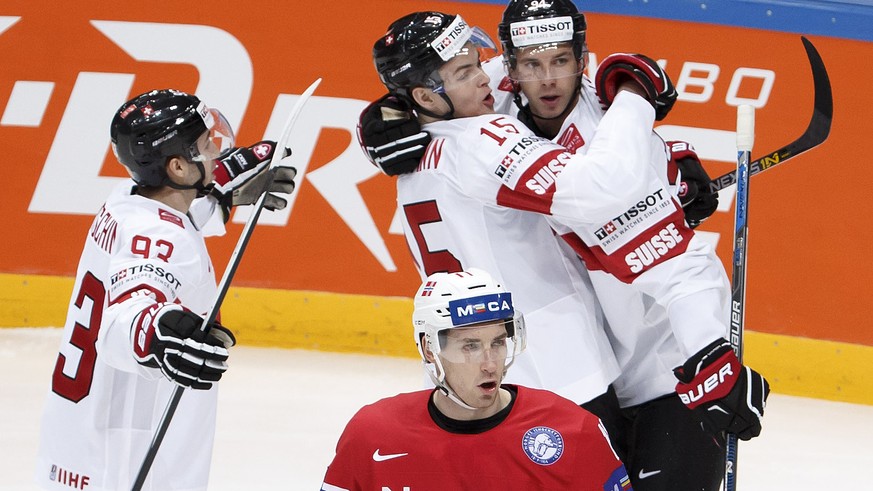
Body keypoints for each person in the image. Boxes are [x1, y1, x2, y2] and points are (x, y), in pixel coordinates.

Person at [359, 8, 770, 490]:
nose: (545, 78)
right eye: (528, 65)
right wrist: (381, 113)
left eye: (561, 61)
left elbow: (680, 266)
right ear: (511, 68)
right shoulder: (490, 124)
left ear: (583, 59)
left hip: (601, 367)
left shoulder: (446, 129)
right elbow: (603, 186)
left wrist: (707, 348)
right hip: (565, 367)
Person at [35, 88, 295, 491]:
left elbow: (180, 216)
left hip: (77, 440)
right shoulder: (160, 238)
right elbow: (129, 312)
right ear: (176, 167)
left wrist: (224, 188)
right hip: (124, 455)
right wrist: (159, 332)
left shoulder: (126, 200)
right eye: (205, 146)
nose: (215, 150)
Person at [321, 268, 633, 490]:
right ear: (430, 349)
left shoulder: (572, 431)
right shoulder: (372, 434)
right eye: (470, 346)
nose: (489, 364)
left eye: (497, 342)